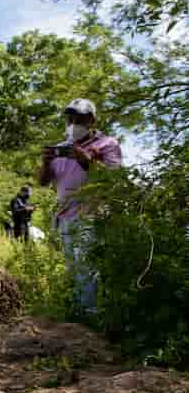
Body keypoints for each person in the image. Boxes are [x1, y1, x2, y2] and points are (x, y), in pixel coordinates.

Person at [38, 98, 122, 314]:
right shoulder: (60, 147)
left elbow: (113, 178)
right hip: (65, 215)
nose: (73, 123)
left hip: (91, 213)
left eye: (80, 119)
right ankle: (78, 310)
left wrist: (86, 160)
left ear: (91, 120)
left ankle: (90, 312)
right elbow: (43, 181)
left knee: (86, 263)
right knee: (72, 265)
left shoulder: (107, 144)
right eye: (70, 118)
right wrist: (46, 163)